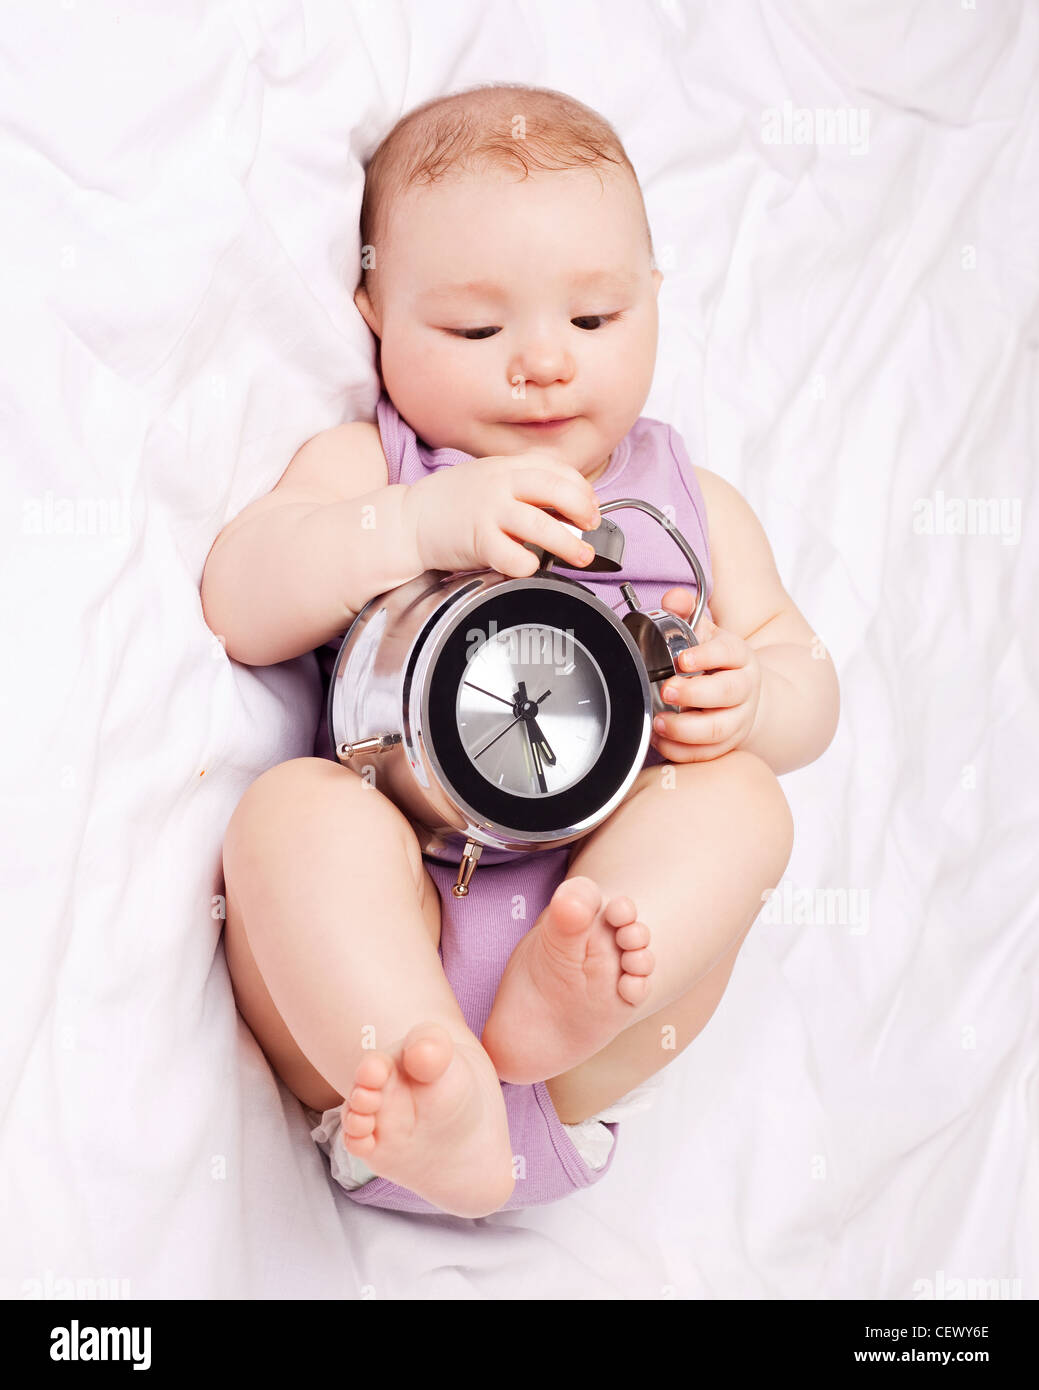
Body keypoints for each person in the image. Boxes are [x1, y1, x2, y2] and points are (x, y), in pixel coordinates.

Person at [200, 83, 838, 1218]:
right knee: (292, 814)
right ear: (375, 316)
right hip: (368, 1054)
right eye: (476, 329)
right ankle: (428, 1069)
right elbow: (241, 601)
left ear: (654, 301)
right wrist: (415, 529)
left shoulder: (689, 508)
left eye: (594, 320)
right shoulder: (378, 470)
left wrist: (752, 704)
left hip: (586, 1028)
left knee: (745, 802)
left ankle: (559, 1004)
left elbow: (808, 686)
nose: (542, 363)